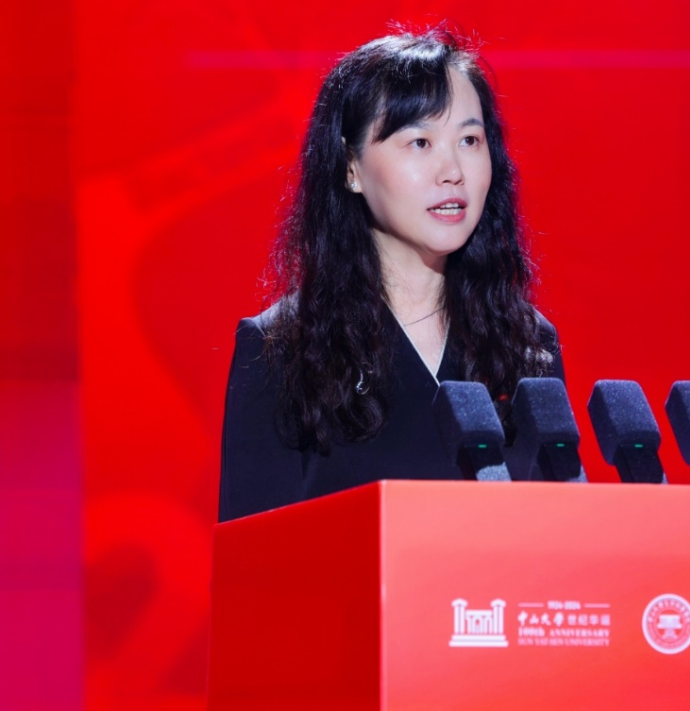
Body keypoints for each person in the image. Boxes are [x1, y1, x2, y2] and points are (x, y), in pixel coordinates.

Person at [218, 27, 563, 522]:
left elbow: (555, 539)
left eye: (470, 140)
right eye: (420, 142)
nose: (453, 171)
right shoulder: (282, 350)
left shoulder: (526, 344)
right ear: (351, 167)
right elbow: (252, 558)